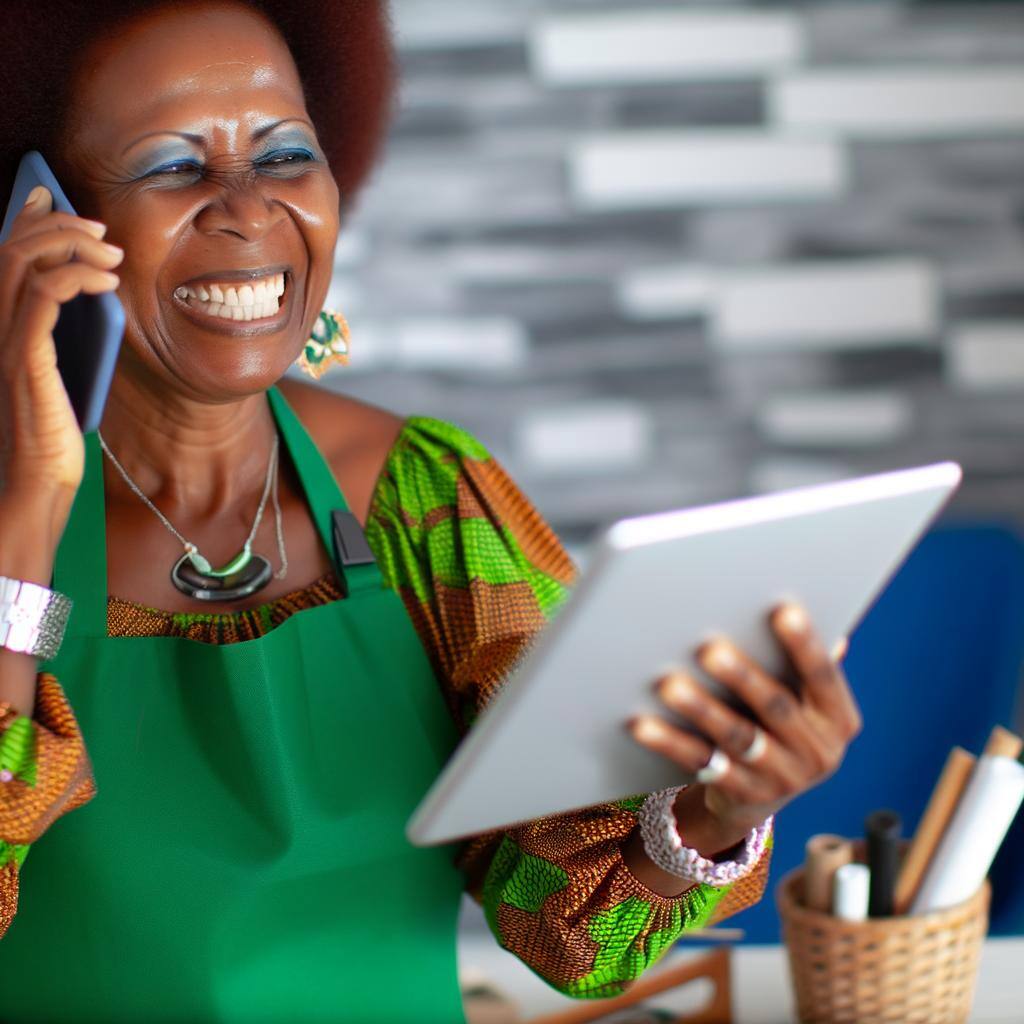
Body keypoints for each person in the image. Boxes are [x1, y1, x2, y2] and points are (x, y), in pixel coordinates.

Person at [0, 2, 863, 1020]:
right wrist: (31, 509)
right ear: (42, 219)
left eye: (283, 156)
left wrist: (721, 810)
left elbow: (570, 935)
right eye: (173, 166)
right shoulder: (16, 508)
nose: (246, 210)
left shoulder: (426, 498)